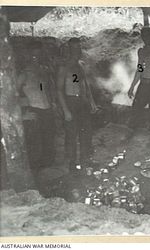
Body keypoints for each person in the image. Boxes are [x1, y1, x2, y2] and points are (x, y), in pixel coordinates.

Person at [57, 38, 98, 173]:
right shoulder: (64, 67)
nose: (77, 51)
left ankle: (85, 159)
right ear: (69, 50)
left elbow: (85, 85)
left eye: (79, 48)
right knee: (72, 134)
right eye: (74, 49)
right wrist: (66, 110)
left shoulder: (80, 65)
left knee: (86, 132)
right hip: (70, 102)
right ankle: (72, 163)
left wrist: (91, 102)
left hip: (82, 102)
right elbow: (59, 90)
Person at [17, 40, 56, 173]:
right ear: (28, 55)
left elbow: (45, 89)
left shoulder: (43, 70)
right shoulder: (24, 74)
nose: (36, 58)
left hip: (47, 109)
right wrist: (23, 113)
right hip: (34, 110)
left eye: (38, 55)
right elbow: (13, 95)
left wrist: (53, 103)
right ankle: (36, 173)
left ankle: (48, 172)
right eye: (33, 56)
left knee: (49, 142)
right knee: (35, 145)